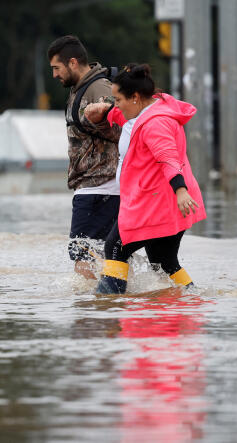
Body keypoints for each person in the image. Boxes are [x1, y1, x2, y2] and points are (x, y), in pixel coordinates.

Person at [83, 63, 206, 294]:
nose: (115, 104)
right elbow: (128, 116)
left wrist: (180, 191)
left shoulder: (156, 123)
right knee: (163, 260)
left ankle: (108, 306)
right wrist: (106, 110)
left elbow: (168, 158)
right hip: (165, 202)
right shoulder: (155, 106)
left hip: (157, 202)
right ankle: (191, 298)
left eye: (117, 99)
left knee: (115, 247)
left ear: (136, 97)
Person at [47, 35, 120, 279]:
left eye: (57, 68)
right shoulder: (82, 88)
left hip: (98, 188)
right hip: (100, 189)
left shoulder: (98, 89)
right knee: (102, 257)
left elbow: (124, 128)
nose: (54, 75)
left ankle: (90, 314)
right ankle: (110, 308)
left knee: (83, 260)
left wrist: (102, 117)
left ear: (73, 63)